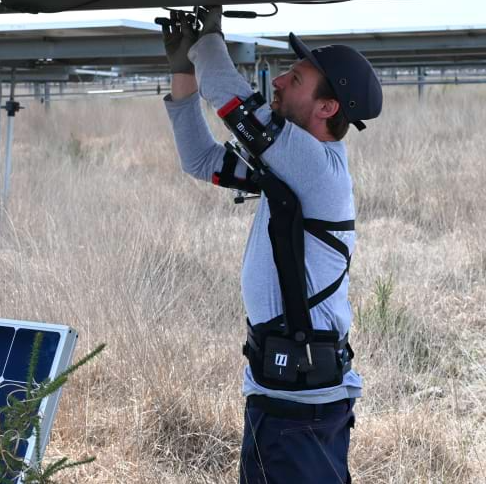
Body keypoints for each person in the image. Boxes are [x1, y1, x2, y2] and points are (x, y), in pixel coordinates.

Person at [160, 7, 382, 484]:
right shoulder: (291, 170)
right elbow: (200, 159)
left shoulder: (316, 169)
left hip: (297, 410)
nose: (278, 81)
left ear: (327, 108)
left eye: (296, 78)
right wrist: (184, 69)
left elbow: (231, 100)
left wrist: (207, 40)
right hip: (284, 400)